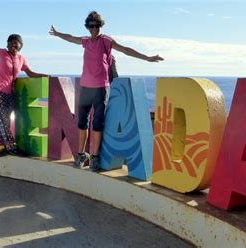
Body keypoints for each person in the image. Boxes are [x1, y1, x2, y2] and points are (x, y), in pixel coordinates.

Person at [49, 11, 164, 171]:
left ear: (101, 26)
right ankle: (81, 154)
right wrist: (57, 33)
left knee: (97, 123)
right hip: (86, 87)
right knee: (82, 123)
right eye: (91, 26)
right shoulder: (86, 41)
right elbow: (70, 37)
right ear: (87, 27)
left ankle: (95, 157)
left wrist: (148, 58)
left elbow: (125, 50)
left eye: (97, 26)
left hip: (101, 88)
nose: (94, 29)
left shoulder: (106, 40)